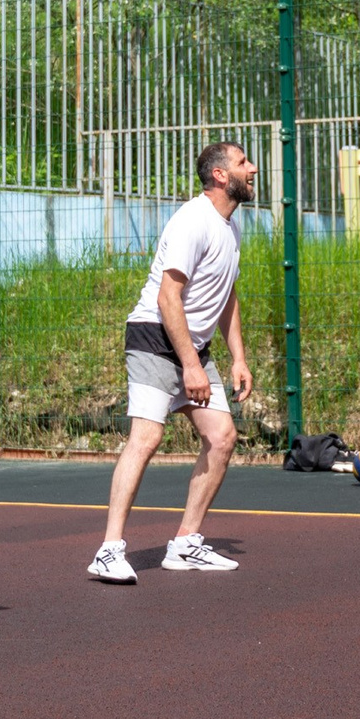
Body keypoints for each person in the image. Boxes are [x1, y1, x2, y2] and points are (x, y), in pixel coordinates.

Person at [87, 141, 258, 584]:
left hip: (190, 346)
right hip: (153, 335)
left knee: (222, 437)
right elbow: (167, 297)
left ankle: (184, 543)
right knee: (147, 437)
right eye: (243, 162)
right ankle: (108, 550)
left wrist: (237, 357)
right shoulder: (192, 220)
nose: (252, 169)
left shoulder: (230, 228)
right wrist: (190, 365)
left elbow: (227, 297)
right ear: (220, 175)